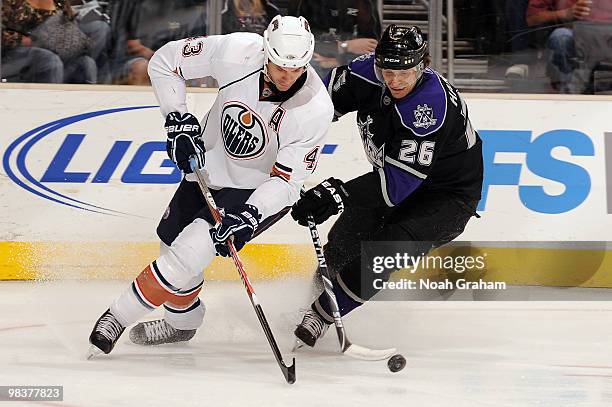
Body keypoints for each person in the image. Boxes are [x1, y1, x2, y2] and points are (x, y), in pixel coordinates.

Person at [87, 15, 334, 355]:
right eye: (278, 66)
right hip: (208, 168)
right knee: (171, 248)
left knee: (189, 252)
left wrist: (249, 214)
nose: (286, 77)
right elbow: (165, 61)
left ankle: (115, 317)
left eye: (296, 70)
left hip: (256, 192)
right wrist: (178, 119)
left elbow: (287, 184)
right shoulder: (237, 51)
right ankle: (184, 322)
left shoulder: (315, 109)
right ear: (266, 51)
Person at [290, 25, 484, 347]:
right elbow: (317, 106)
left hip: (446, 198)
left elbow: (397, 186)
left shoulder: (429, 107)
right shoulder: (367, 73)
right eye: (387, 70)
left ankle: (321, 314)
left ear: (423, 65)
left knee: (385, 251)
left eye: (404, 72)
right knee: (342, 244)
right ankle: (312, 307)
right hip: (395, 178)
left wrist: (337, 193)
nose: (394, 81)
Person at [1, 0, 97, 83]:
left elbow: (71, 23)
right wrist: (33, 41)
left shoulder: (59, 2)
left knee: (87, 63)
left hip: (54, 46)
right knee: (50, 60)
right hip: (13, 51)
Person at [525, 0, 612, 92]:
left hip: (607, 39)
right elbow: (532, 19)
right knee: (560, 37)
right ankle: (566, 93)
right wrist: (565, 13)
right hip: (574, 39)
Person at [289, 0, 381, 78]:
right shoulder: (308, 3)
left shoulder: (363, 4)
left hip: (351, 65)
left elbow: (371, 46)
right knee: (307, 65)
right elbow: (298, 42)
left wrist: (341, 61)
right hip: (317, 62)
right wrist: (344, 46)